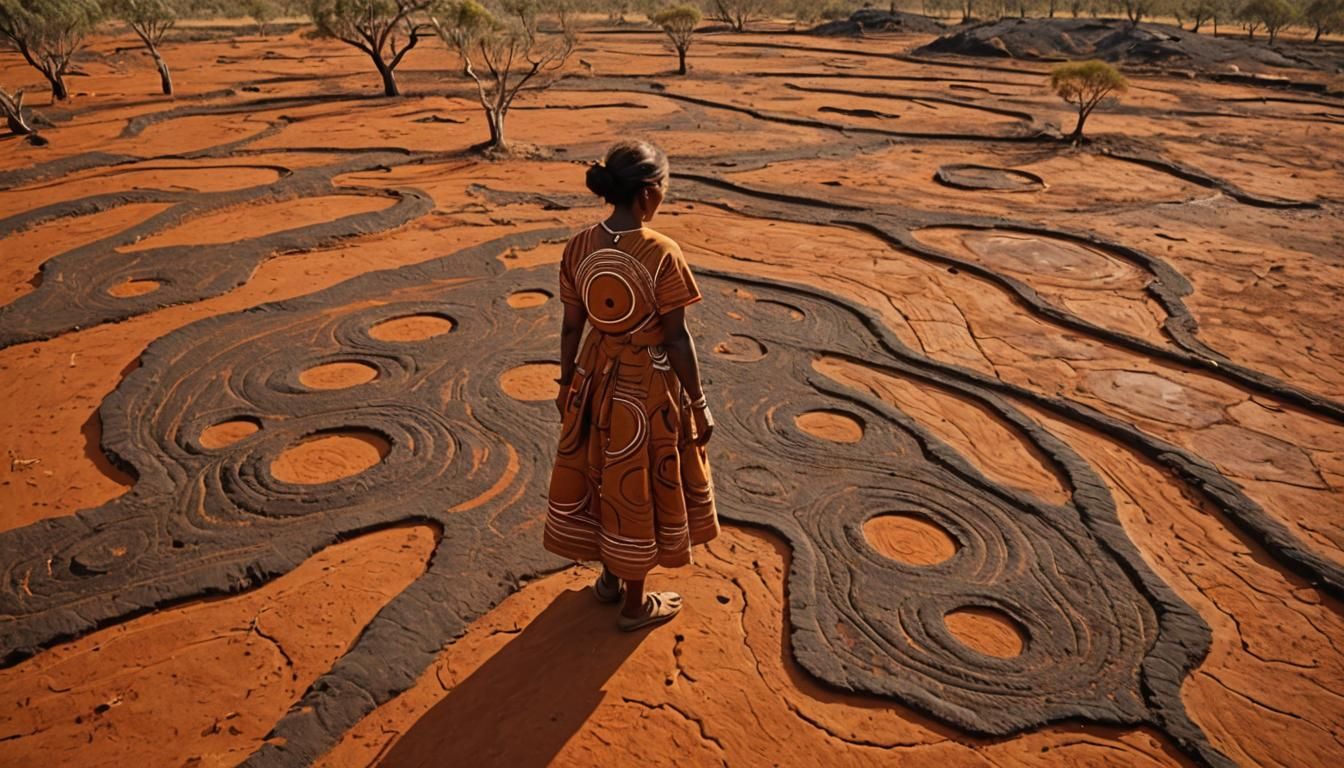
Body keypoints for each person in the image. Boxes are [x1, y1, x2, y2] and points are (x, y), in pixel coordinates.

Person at [544, 140, 719, 632]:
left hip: (595, 375)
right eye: (662, 186)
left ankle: (608, 580)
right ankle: (634, 605)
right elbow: (678, 339)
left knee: (603, 468)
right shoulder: (661, 251)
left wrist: (567, 383)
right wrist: (699, 404)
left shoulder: (579, 244)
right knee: (637, 480)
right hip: (648, 386)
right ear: (647, 194)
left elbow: (570, 327)